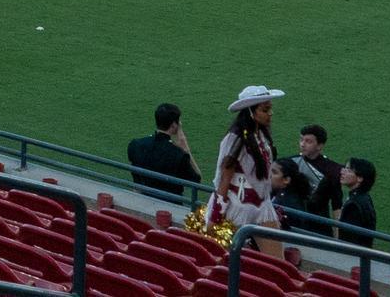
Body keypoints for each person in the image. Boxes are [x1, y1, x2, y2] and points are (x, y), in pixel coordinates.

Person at [210, 86, 285, 246]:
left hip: (263, 207)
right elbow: (224, 179)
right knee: (230, 261)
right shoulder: (235, 138)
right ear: (251, 112)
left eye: (270, 109)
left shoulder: (262, 135)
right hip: (237, 209)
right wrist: (216, 216)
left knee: (276, 263)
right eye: (265, 110)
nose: (270, 113)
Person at [125, 102, 200, 203]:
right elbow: (197, 179)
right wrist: (186, 149)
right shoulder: (178, 154)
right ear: (174, 125)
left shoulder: (136, 145)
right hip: (170, 206)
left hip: (141, 200)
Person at [281, 124, 345, 231]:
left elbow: (337, 206)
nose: (302, 144)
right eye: (301, 140)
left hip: (319, 224)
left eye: (308, 141)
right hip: (293, 221)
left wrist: (337, 237)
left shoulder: (332, 169)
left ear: (320, 145)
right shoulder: (290, 163)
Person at [338, 159, 379, 248]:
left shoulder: (354, 204)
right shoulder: (364, 197)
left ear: (360, 178)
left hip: (352, 256)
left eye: (348, 170)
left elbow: (349, 238)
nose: (342, 171)